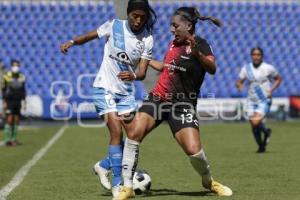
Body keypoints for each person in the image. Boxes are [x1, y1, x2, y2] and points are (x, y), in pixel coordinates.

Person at [115, 7, 233, 200]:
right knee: (134, 133)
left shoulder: (201, 44)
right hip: (159, 98)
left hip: (182, 104)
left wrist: (198, 54)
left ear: (189, 25)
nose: (172, 29)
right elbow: (167, 67)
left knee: (194, 151)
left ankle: (209, 181)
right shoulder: (173, 44)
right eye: (172, 25)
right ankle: (127, 187)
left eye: (175, 26)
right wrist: (145, 60)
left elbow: (212, 68)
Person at [60, 0, 157, 198]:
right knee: (115, 132)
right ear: (128, 14)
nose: (138, 20)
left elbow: (142, 72)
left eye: (142, 16)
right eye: (134, 16)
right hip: (104, 87)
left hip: (126, 93)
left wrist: (134, 76)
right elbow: (90, 36)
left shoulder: (147, 39)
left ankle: (103, 165)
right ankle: (117, 184)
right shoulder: (114, 25)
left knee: (134, 136)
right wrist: (72, 42)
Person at [236, 47, 281, 153]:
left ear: (262, 56)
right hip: (251, 100)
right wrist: (239, 85)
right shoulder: (246, 68)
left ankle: (265, 133)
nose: (256, 57)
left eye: (258, 54)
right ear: (251, 56)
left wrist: (271, 90)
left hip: (264, 100)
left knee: (255, 122)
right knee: (253, 124)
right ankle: (262, 144)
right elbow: (239, 81)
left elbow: (278, 79)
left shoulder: (268, 68)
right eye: (254, 55)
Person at [2, 59, 26, 146]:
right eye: (14, 65)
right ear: (11, 66)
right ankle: (7, 139)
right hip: (10, 100)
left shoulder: (22, 77)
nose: (16, 67)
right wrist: (4, 101)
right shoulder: (7, 76)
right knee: (9, 118)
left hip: (18, 100)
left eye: (17, 65)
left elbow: (23, 89)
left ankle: (14, 139)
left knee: (16, 119)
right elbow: (4, 90)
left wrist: (24, 100)